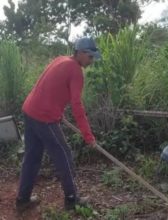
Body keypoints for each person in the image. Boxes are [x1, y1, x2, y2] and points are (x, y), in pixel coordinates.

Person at [15, 37, 101, 212]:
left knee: (31, 157)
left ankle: (22, 199)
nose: (91, 61)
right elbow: (77, 105)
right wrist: (88, 135)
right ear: (81, 53)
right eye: (90, 57)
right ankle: (72, 199)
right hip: (44, 118)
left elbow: (49, 87)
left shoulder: (60, 59)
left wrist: (58, 113)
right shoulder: (76, 71)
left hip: (30, 110)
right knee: (64, 156)